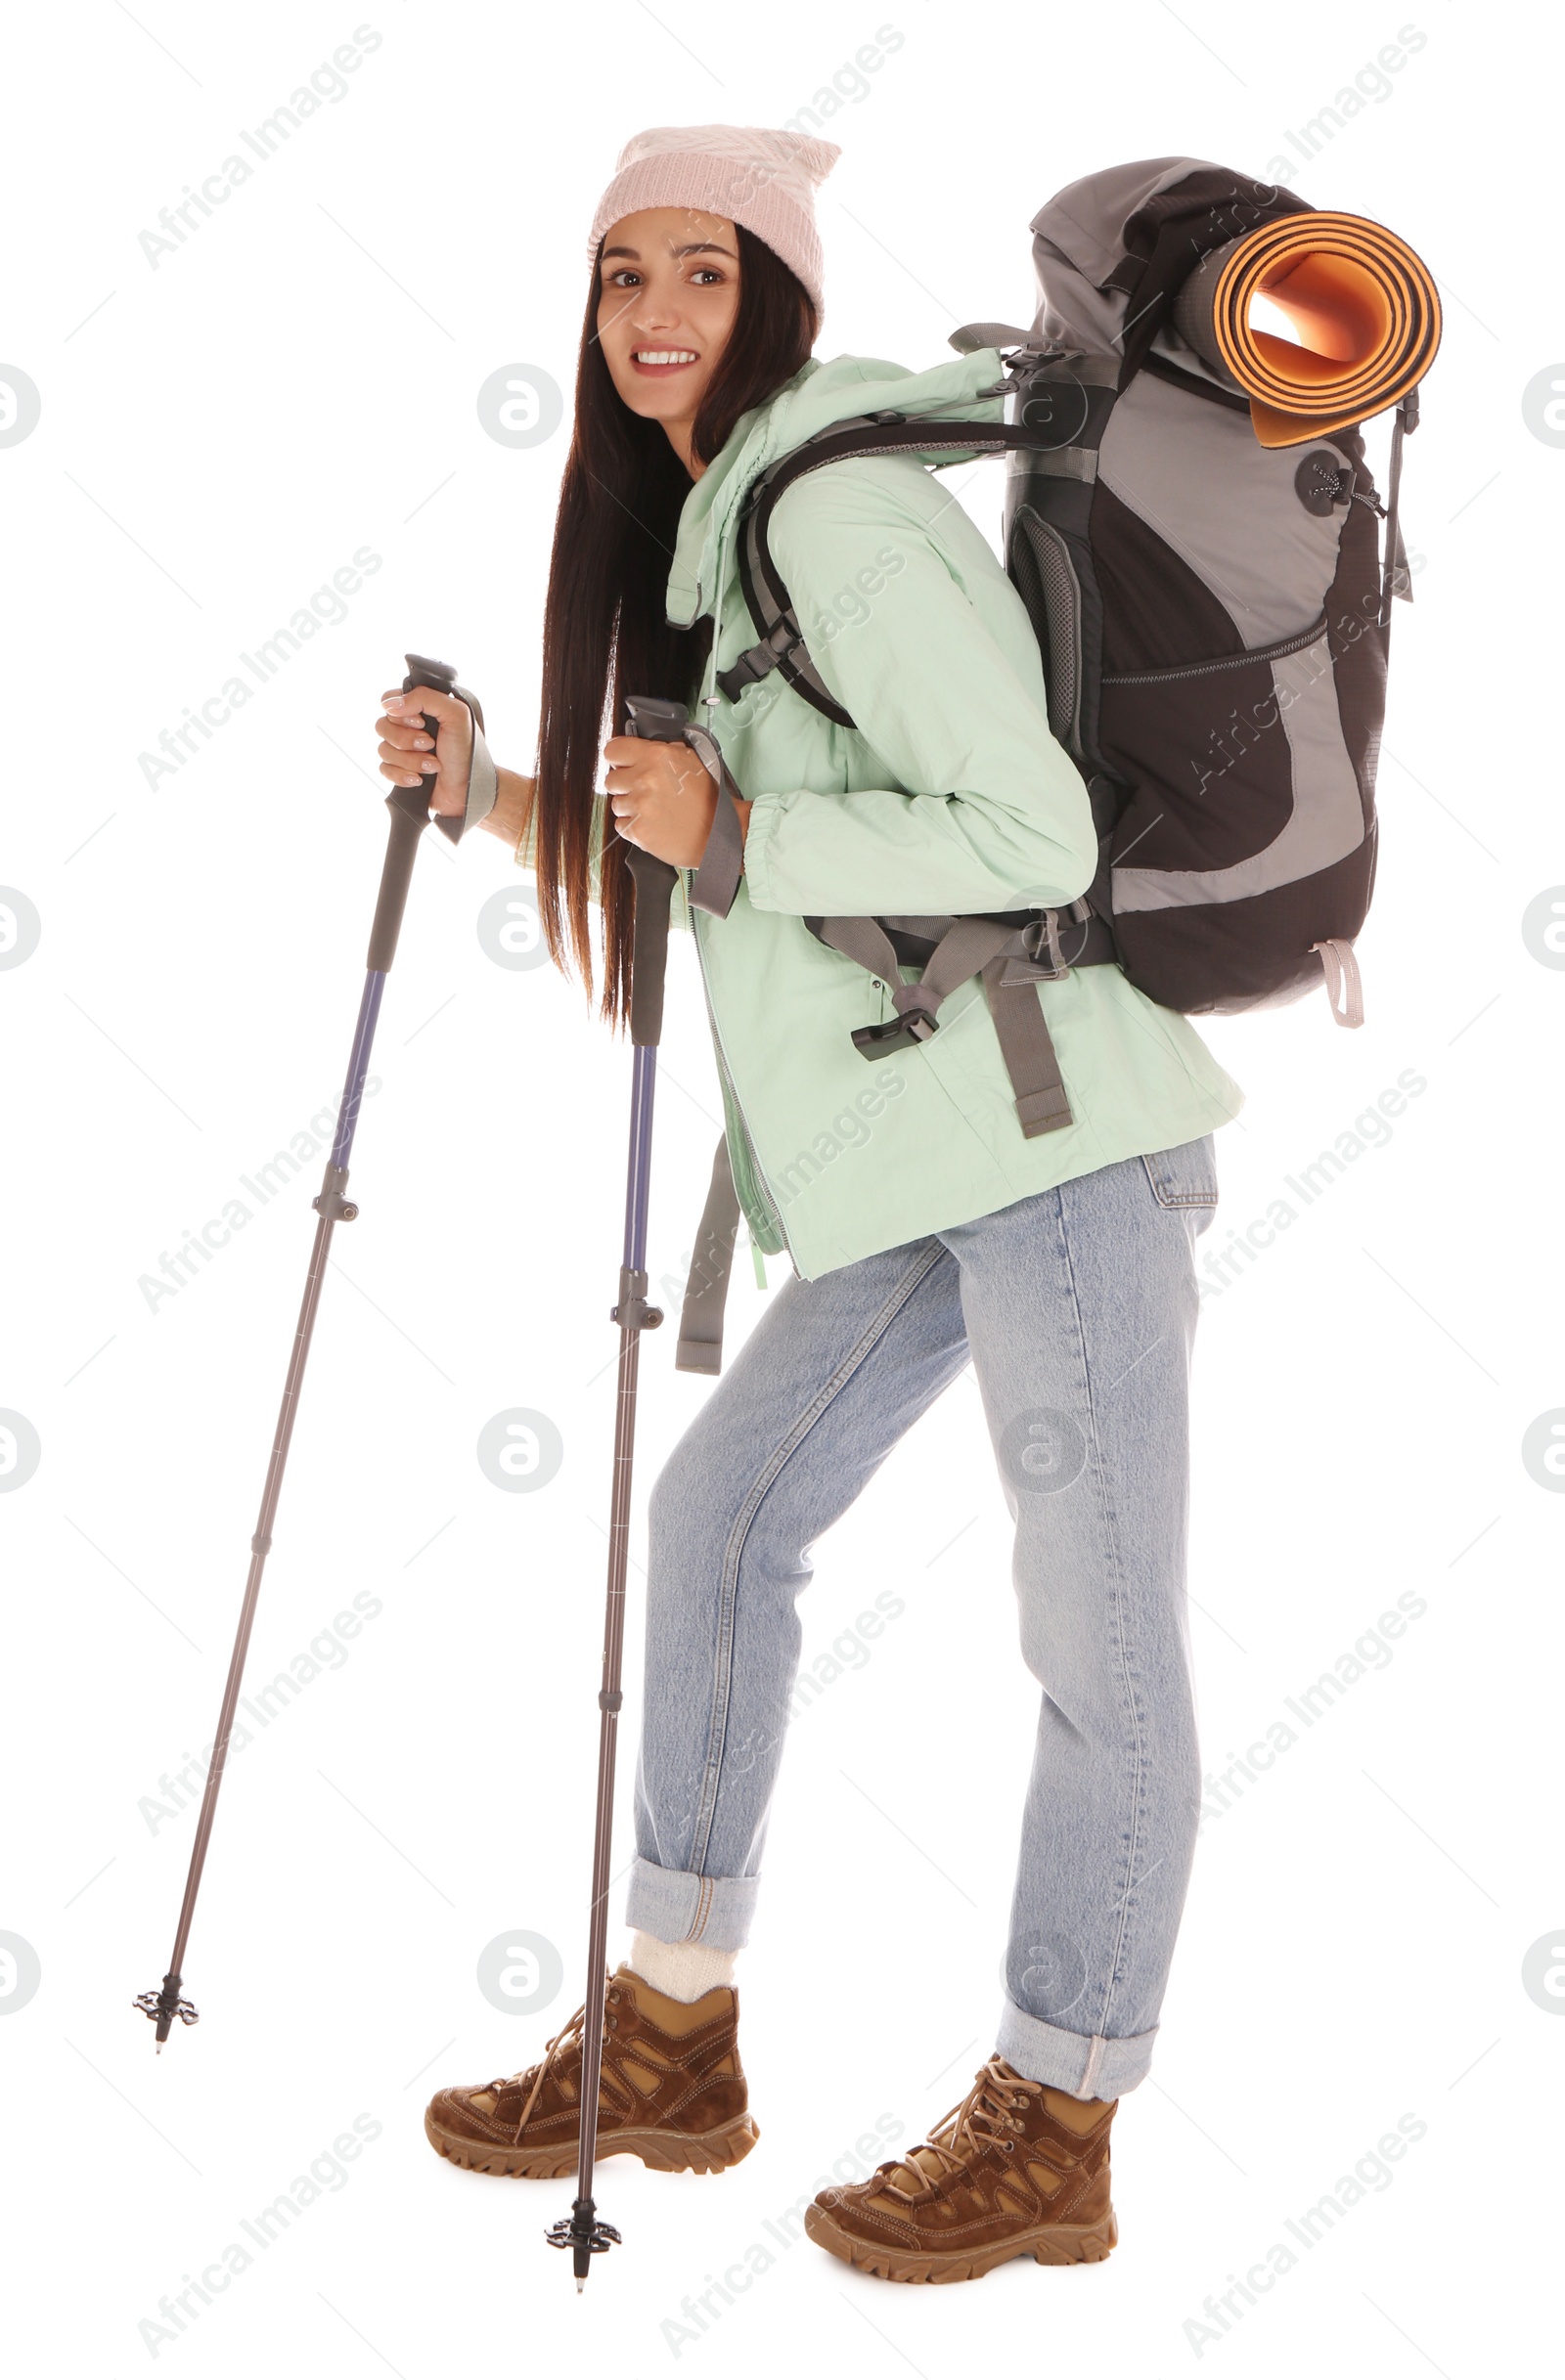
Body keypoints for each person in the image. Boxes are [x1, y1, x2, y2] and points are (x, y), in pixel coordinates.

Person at [376, 123, 1241, 2284]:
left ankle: (1059, 2105)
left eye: (698, 269)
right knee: (722, 1520)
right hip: (914, 1159)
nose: (652, 314)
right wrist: (488, 791)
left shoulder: (834, 511)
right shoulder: (715, 543)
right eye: (616, 279)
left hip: (1053, 1145)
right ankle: (673, 2028)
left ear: (770, 293)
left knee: (1096, 1631)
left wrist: (743, 826)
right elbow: (718, 867)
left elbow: (1026, 829)